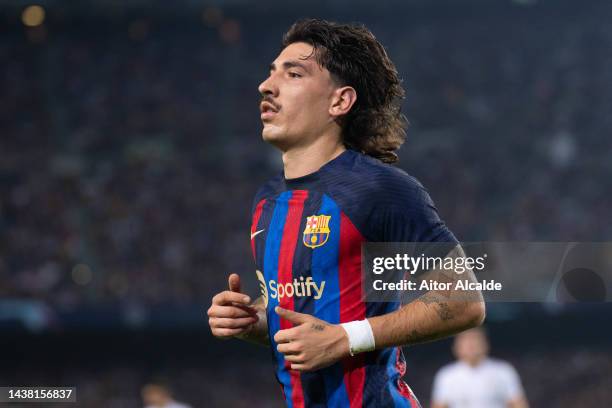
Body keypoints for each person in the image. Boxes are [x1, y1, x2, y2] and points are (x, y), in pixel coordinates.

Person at [207, 19, 486, 407]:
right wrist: (252, 321)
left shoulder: (380, 188)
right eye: (271, 72)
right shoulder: (266, 201)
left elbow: (465, 300)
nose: (266, 86)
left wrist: (347, 338)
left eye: (294, 73)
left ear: (339, 101)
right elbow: (303, 314)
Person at [431, 327, 528, 408]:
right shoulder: (446, 376)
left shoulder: (503, 371)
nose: (471, 345)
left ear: (485, 344)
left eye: (475, 339)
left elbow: (518, 404)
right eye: (465, 340)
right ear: (456, 347)